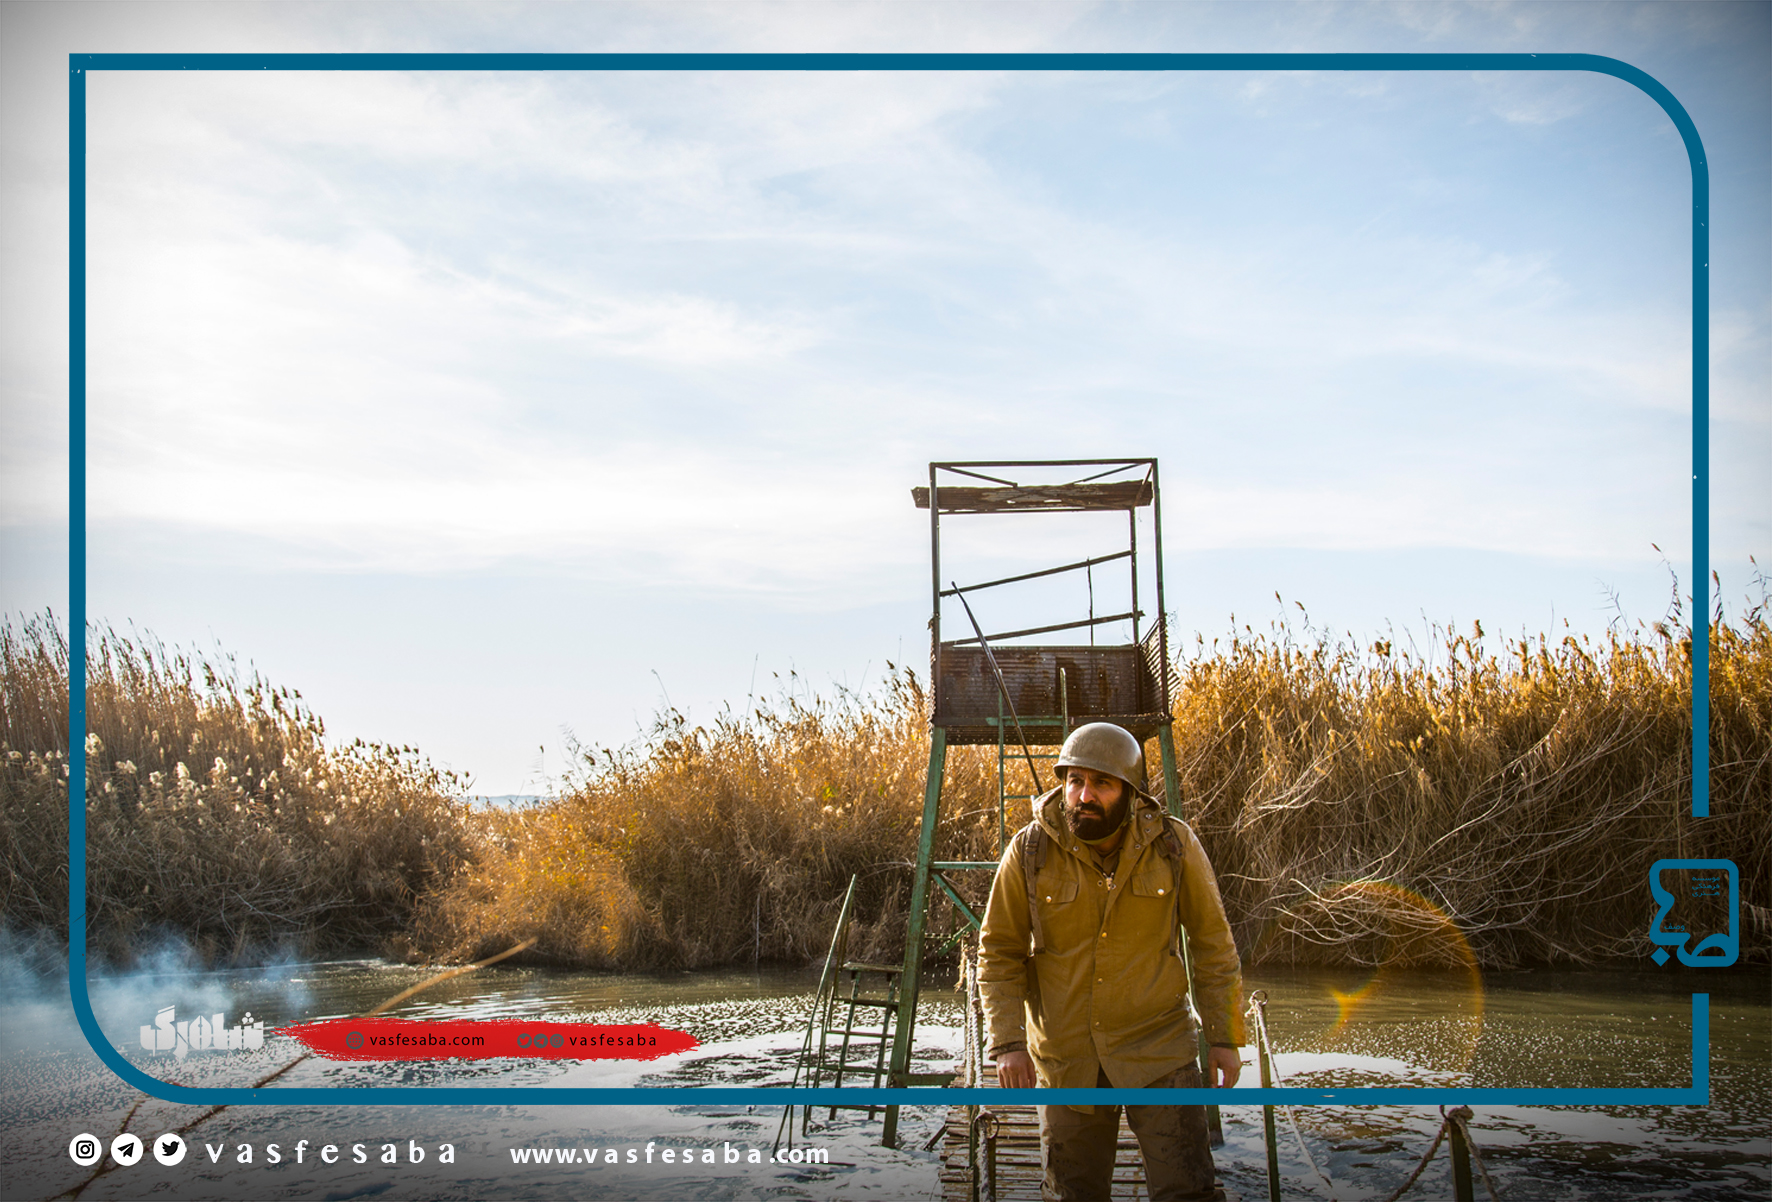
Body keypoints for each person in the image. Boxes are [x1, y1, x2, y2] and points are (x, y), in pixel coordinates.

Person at [977, 722, 1245, 1202]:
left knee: (1188, 1190)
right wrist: (1008, 1043)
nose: (1084, 795)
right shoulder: (1029, 851)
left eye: (1102, 783)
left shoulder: (1173, 845)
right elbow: (998, 952)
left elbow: (1212, 945)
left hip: (1160, 1049)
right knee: (1072, 1194)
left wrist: (1223, 1036)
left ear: (1130, 792)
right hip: (1068, 1056)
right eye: (1075, 780)